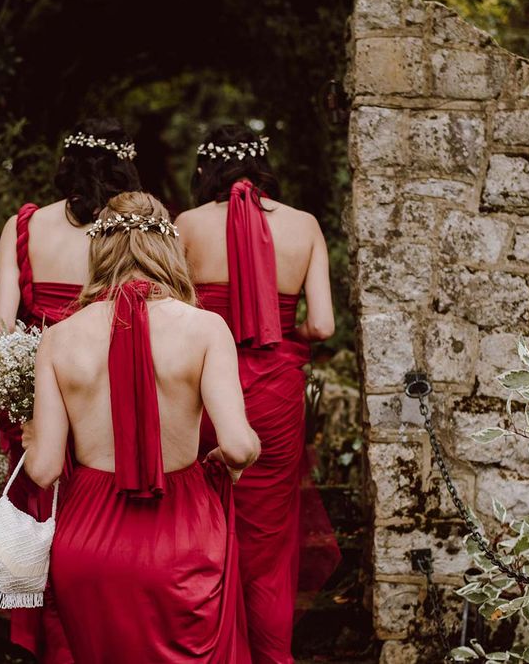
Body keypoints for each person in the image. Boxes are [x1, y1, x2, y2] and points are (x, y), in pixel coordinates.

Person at [24, 191, 261, 663]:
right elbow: (237, 445)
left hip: (88, 545)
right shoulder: (206, 328)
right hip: (182, 539)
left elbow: (45, 468)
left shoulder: (57, 338)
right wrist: (231, 457)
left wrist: (30, 432)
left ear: (99, 250)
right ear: (168, 248)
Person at [174, 124, 341, 664]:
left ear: (205, 170)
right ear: (263, 166)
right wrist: (277, 323)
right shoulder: (305, 226)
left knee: (201, 525)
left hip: (201, 394)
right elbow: (322, 324)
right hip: (275, 393)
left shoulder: (186, 225)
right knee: (268, 541)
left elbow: (170, 317)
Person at [0, 117, 141, 662]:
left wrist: (8, 397)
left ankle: (43, 641)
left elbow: (4, 325)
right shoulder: (130, 228)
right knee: (95, 518)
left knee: (42, 517)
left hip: (34, 385)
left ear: (65, 162)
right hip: (99, 385)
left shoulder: (23, 224)